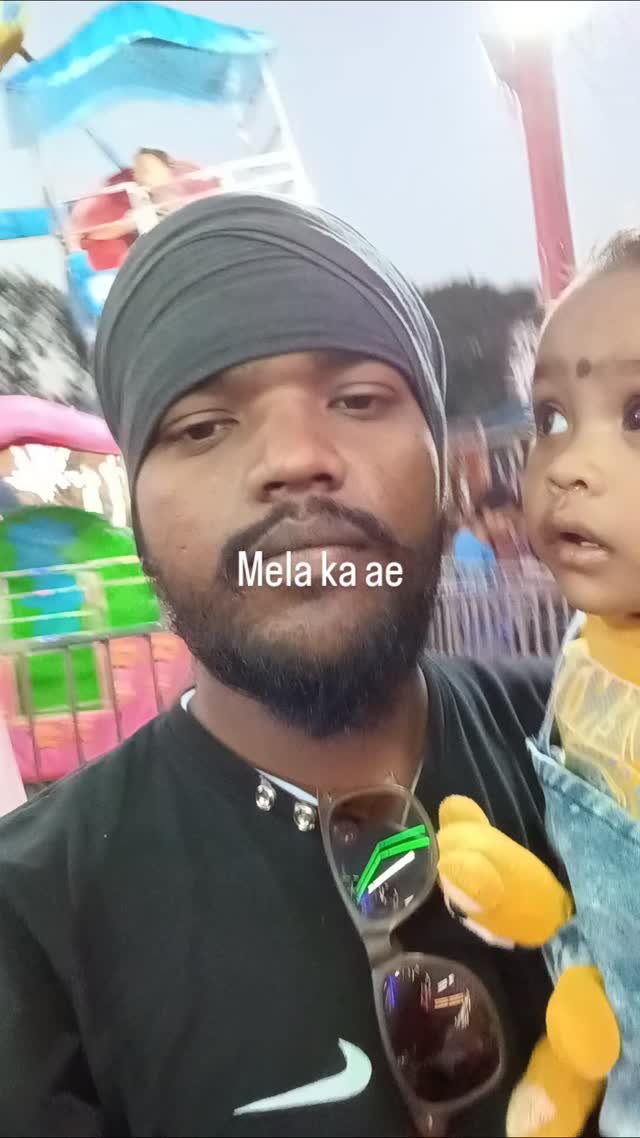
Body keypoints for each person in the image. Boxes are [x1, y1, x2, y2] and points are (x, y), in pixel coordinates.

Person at [0, 193, 554, 1137]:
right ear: (136, 519)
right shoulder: (31, 925)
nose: (297, 458)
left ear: (442, 467)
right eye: (202, 426)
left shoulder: (590, 749)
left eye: (359, 399)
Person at [438, 230, 640, 1138]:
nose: (564, 465)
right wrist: (553, 921)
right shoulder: (584, 645)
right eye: (551, 418)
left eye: (639, 415)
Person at [69, 147, 220, 271]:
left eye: (147, 168)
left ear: (166, 168)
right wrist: (89, 235)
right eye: (139, 170)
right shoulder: (142, 205)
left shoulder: (192, 191)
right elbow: (122, 226)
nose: (140, 174)